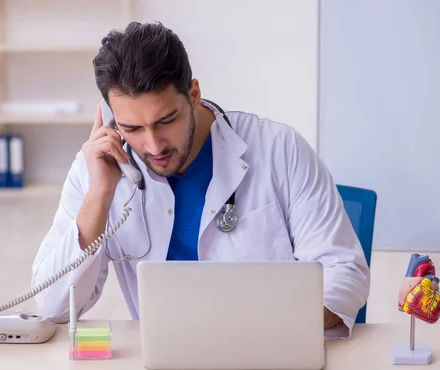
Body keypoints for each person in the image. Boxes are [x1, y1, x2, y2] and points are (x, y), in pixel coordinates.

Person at [31, 21, 370, 339]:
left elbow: (344, 272)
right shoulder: (98, 167)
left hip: (269, 359)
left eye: (166, 121)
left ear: (193, 94)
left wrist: (257, 325)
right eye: (132, 128)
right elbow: (53, 307)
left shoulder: (279, 149)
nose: (153, 145)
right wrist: (100, 195)